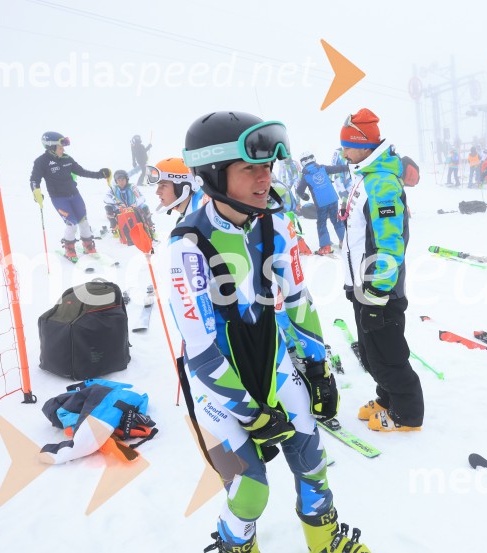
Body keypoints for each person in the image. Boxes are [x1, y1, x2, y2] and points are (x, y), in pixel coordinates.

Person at [173, 111, 370, 553]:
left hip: (272, 365)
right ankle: (235, 545)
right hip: (217, 389)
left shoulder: (273, 224)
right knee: (251, 490)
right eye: (251, 168)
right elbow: (202, 350)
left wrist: (317, 367)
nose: (266, 178)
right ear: (214, 175)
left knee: (312, 459)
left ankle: (325, 542)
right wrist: (249, 411)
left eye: (268, 166)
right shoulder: (186, 248)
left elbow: (298, 300)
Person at [338, 108, 424, 433]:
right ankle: (387, 398)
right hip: (364, 286)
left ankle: (408, 413)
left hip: (380, 291)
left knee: (388, 355)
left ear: (362, 146)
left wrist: (376, 293)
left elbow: (389, 245)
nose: (343, 152)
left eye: (347, 145)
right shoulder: (365, 177)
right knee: (372, 354)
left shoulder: (382, 184)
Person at [29, 131, 110, 261]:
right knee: (71, 223)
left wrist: (100, 174)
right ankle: (69, 249)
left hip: (75, 195)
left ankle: (88, 245)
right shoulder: (41, 162)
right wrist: (36, 191)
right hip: (59, 198)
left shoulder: (67, 159)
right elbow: (34, 180)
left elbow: (82, 171)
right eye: (60, 147)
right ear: (51, 147)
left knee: (83, 221)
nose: (63, 149)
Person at [296, 152, 348, 255]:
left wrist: (305, 197)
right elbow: (336, 168)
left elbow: (299, 191)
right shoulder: (323, 168)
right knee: (336, 220)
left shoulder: (306, 176)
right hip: (333, 199)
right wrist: (348, 167)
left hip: (321, 203)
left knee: (321, 224)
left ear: (303, 163)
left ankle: (325, 247)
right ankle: (343, 242)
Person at [150, 157, 206, 225]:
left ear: (183, 187)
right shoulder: (193, 212)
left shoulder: (201, 219)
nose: (157, 192)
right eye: (158, 186)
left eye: (163, 185)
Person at [104, 169, 155, 238]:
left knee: (145, 207)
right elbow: (106, 198)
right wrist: (116, 203)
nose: (121, 182)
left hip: (133, 208)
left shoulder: (132, 187)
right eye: (119, 180)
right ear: (116, 181)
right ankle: (114, 227)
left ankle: (150, 226)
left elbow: (141, 197)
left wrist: (135, 204)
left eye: (123, 180)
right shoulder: (114, 189)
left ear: (126, 180)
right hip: (120, 210)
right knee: (108, 207)